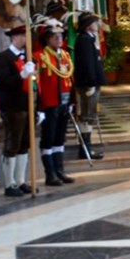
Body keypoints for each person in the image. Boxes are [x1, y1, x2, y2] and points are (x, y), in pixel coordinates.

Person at [0, 25, 38, 196]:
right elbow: (4, 82)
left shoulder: (29, 57)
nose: (24, 39)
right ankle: (9, 183)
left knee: (25, 144)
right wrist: (21, 75)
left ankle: (21, 180)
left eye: (26, 36)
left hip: (28, 105)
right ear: (13, 37)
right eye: (21, 36)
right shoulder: (2, 58)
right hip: (12, 106)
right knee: (12, 143)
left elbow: (35, 84)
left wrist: (38, 106)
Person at [34, 21, 76, 186]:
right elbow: (38, 84)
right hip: (49, 104)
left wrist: (72, 101)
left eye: (61, 36)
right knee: (48, 138)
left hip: (64, 103)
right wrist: (40, 107)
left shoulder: (65, 55)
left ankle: (60, 170)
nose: (59, 39)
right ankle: (50, 173)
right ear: (48, 39)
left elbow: (70, 79)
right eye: (55, 37)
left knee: (60, 138)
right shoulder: (39, 56)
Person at [72, 12, 105, 159]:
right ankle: (85, 149)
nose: (97, 25)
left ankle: (86, 147)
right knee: (87, 116)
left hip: (92, 83)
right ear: (88, 26)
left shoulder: (89, 39)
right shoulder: (84, 40)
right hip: (88, 85)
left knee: (90, 116)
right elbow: (87, 64)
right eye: (95, 22)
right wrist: (90, 83)